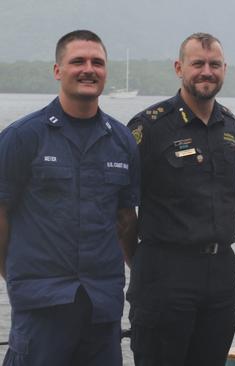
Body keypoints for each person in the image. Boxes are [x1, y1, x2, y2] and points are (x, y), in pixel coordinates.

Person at [0, 30, 140, 366]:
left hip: (101, 306)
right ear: (57, 70)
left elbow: (126, 219)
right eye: (77, 61)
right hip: (41, 305)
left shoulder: (122, 141)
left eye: (97, 62)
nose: (88, 69)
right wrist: (15, 274)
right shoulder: (22, 137)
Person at [125, 33, 235, 366]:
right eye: (198, 64)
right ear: (179, 67)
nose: (207, 71)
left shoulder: (230, 126)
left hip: (220, 274)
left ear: (224, 69)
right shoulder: (150, 127)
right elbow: (121, 209)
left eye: (214, 64)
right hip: (165, 273)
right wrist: (145, 263)